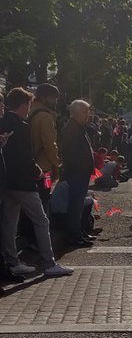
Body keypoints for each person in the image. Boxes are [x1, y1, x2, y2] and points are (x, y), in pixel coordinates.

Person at [0, 87, 73, 278]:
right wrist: (40, 171)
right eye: (28, 105)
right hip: (25, 182)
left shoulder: (1, 123)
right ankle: (49, 263)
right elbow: (26, 155)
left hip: (6, 180)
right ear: (24, 105)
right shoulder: (23, 126)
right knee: (41, 220)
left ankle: (12, 261)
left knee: (9, 222)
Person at [59, 99, 96, 248]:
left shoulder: (78, 127)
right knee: (75, 206)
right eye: (86, 112)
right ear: (78, 113)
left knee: (78, 205)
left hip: (80, 172)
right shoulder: (73, 128)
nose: (89, 115)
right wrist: (81, 167)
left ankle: (78, 233)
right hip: (76, 173)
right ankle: (74, 236)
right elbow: (71, 152)